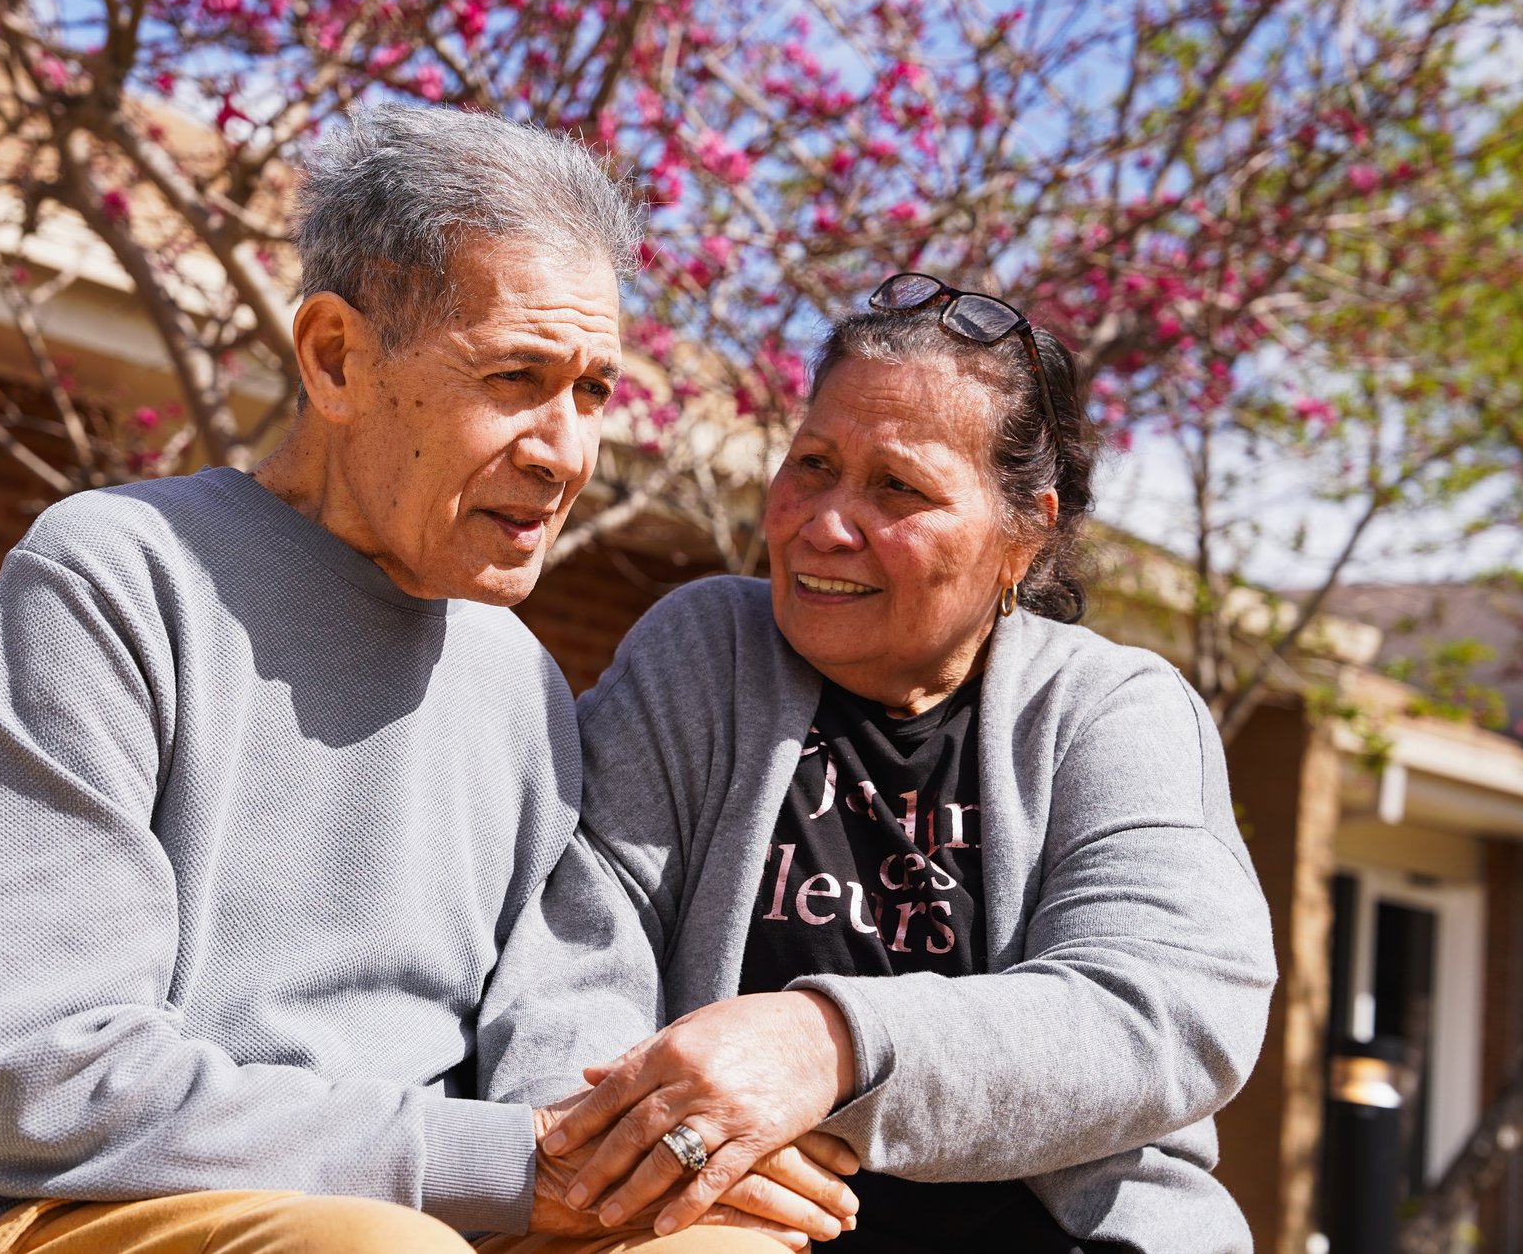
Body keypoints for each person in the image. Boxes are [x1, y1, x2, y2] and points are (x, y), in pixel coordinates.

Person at [0, 104, 855, 1254]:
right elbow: (45, 1090)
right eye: (515, 376)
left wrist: (639, 1166)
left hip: (416, 1215)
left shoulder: (518, 680)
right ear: (337, 358)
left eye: (591, 390)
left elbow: (559, 1045)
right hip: (29, 1210)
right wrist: (511, 1163)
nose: (564, 452)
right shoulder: (112, 577)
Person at [501, 274, 1279, 1253]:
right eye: (812, 463)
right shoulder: (704, 653)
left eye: (896, 488)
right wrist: (635, 1152)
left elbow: (1161, 1014)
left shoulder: (1111, 712)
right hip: (721, 1223)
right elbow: (574, 940)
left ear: (1021, 535)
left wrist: (825, 1045)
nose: (823, 521)